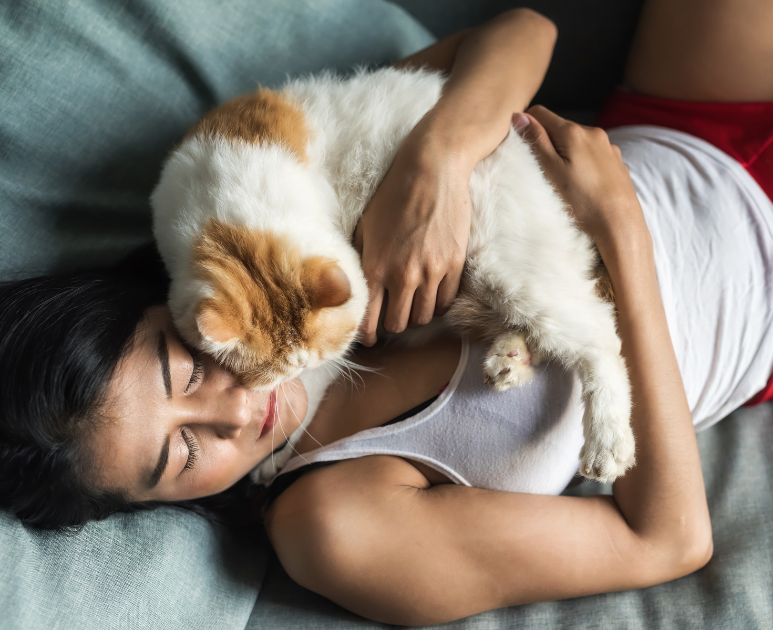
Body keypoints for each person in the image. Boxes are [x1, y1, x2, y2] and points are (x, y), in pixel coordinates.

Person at [1, 0, 772, 625]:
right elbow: (666, 540)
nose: (235, 410)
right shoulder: (335, 526)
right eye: (182, 456)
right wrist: (622, 236)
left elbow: (521, 33)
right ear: (156, 505)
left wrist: (437, 153)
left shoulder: (274, 227)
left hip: (677, 121)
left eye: (189, 364)